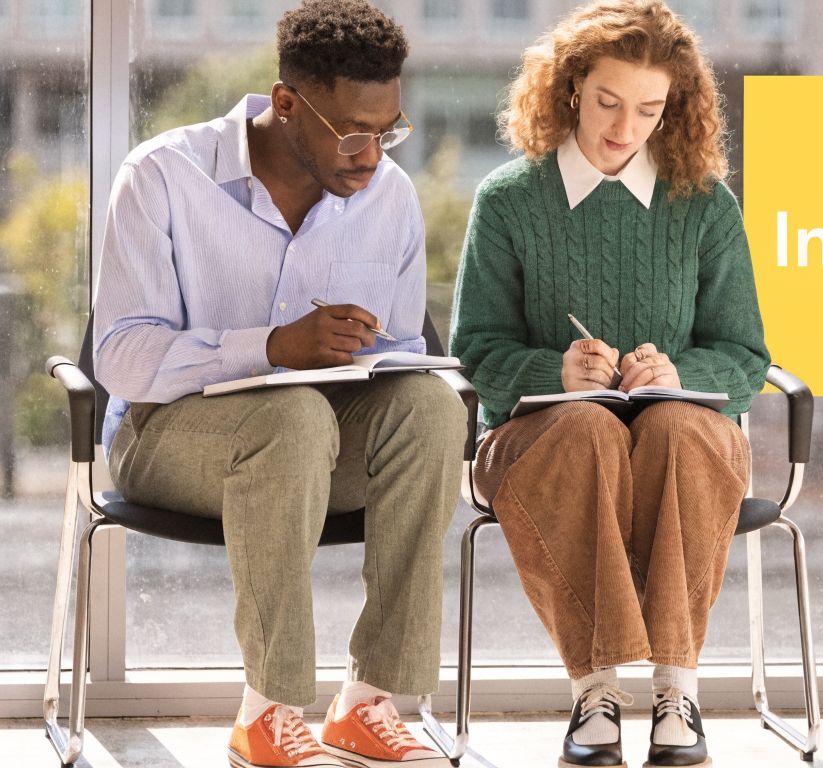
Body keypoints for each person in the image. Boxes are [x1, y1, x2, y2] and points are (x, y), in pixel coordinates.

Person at [93, 2, 463, 766]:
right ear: (286, 104)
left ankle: (368, 702)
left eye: (389, 129)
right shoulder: (164, 176)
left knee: (429, 408)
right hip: (167, 436)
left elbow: (394, 349)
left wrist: (370, 359)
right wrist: (272, 348)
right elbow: (124, 358)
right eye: (354, 132)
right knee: (291, 416)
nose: (373, 154)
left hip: (318, 442)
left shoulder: (388, 195)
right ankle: (268, 710)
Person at [449, 2, 769, 766]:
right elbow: (474, 349)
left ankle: (675, 691)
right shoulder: (508, 200)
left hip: (680, 438)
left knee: (678, 428)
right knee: (589, 429)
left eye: (650, 109)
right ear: (569, 91)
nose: (625, 127)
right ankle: (593, 689)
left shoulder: (705, 208)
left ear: (674, 110)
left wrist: (678, 373)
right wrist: (552, 369)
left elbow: (746, 356)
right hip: (540, 440)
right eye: (608, 103)